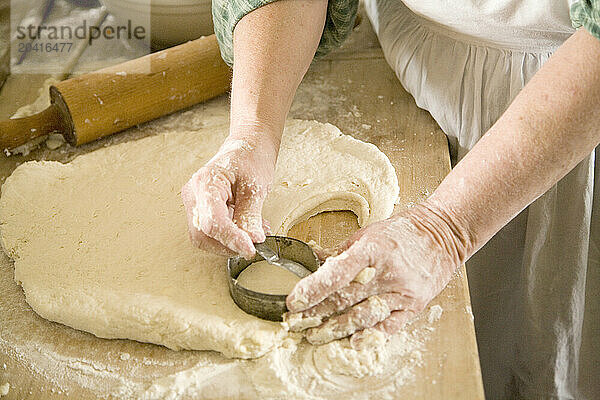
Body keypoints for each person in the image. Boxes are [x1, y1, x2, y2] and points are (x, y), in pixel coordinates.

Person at [181, 1, 600, 398]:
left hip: (569, 107)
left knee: (529, 344)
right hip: (409, 68)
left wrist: (444, 230)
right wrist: (252, 132)